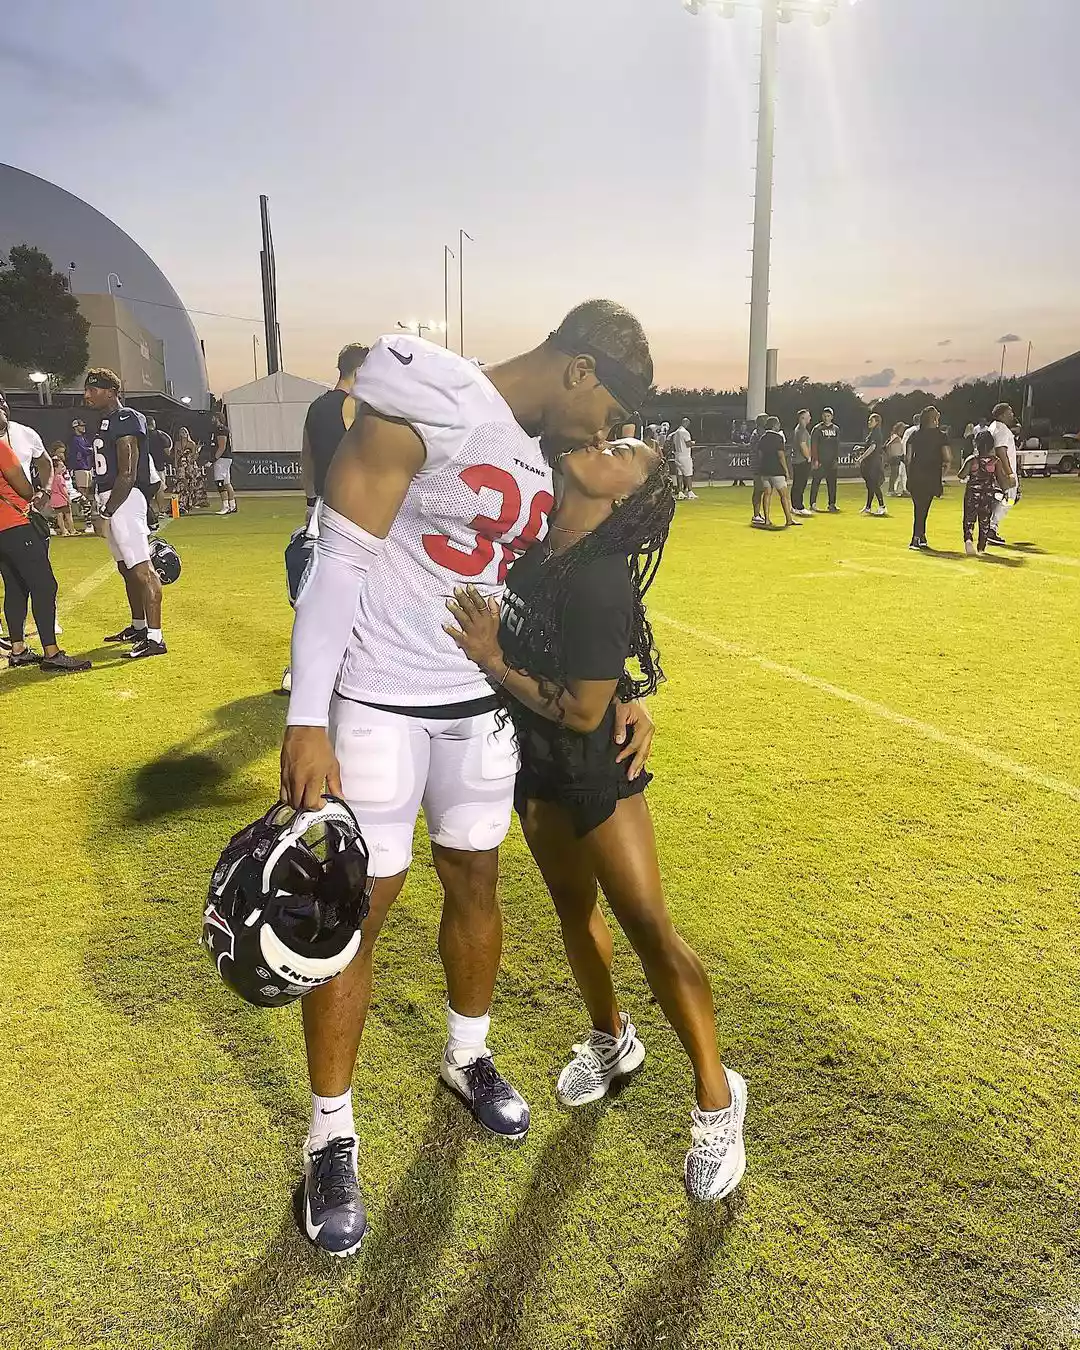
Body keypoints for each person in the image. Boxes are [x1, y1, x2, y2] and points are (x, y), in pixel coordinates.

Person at [280, 300, 656, 1256]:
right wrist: (306, 714)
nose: (604, 432)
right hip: (377, 696)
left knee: (477, 884)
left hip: (476, 703)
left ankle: (467, 1054)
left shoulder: (539, 457)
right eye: (607, 408)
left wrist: (628, 690)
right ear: (579, 368)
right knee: (358, 912)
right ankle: (332, 1136)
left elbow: (567, 590)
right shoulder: (427, 386)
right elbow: (337, 559)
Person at [444, 440, 747, 1202]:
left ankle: (717, 1101)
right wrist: (620, 692)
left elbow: (583, 710)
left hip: (594, 770)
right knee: (574, 914)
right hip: (532, 760)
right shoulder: (537, 539)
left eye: (624, 452)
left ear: (628, 496)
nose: (603, 444)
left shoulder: (605, 575)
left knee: (646, 925)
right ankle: (613, 1042)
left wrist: (492, 662)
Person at [82, 368, 167, 658]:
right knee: (125, 567)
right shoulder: (104, 422)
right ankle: (139, 626)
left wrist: (106, 512)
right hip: (112, 497)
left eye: (93, 390)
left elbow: (127, 474)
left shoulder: (126, 418)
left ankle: (155, 639)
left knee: (143, 570)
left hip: (125, 499)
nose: (87, 395)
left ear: (110, 391)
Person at [0, 405, 90, 672]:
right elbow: (24, 489)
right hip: (16, 524)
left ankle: (18, 649)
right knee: (44, 586)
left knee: (15, 587)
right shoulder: (3, 449)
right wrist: (37, 493)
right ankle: (52, 653)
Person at [302, 343, 370, 518]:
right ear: (359, 372)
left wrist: (310, 503)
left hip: (322, 506)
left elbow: (307, 457)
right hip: (354, 507)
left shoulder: (316, 406)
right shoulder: (359, 407)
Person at [959, 428, 1014, 555]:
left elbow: (961, 475)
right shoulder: (995, 461)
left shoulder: (972, 460)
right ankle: (981, 547)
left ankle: (968, 540)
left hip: (972, 494)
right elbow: (1001, 479)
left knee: (969, 518)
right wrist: (1006, 490)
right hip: (988, 494)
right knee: (985, 519)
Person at [905, 405, 950, 550]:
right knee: (923, 507)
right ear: (935, 419)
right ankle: (916, 537)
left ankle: (920, 535)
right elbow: (948, 458)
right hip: (931, 475)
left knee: (919, 507)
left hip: (916, 474)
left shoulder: (915, 435)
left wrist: (908, 475)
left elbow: (908, 458)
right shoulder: (941, 435)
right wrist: (942, 474)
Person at [753, 417, 798, 528]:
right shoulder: (778, 437)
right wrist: (786, 471)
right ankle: (788, 519)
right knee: (784, 496)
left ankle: (767, 519)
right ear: (774, 425)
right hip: (777, 471)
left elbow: (760, 454)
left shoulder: (762, 438)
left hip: (765, 471)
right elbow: (781, 455)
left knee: (767, 494)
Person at [987, 403, 1019, 545]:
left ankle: (989, 527)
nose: (1012, 415)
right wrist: (1009, 473)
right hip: (1004, 471)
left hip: (994, 470)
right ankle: (991, 528)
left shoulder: (993, 427)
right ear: (1002, 414)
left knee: (998, 499)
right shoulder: (1001, 429)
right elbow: (1001, 451)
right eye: (1009, 412)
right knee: (1009, 499)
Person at [67, 418, 96, 532]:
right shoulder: (75, 439)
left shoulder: (83, 438)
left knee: (87, 491)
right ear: (75, 427)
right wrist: (90, 450)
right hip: (80, 467)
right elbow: (86, 450)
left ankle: (85, 512)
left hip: (87, 467)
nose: (83, 427)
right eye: (81, 426)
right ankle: (82, 514)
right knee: (82, 492)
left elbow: (89, 449)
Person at [809, 408, 841, 512]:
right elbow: (814, 445)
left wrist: (836, 459)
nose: (826, 418)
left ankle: (832, 504)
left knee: (832, 483)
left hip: (831, 461)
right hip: (821, 460)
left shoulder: (836, 429)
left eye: (828, 416)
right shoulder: (817, 429)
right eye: (824, 415)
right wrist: (816, 459)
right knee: (816, 482)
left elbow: (837, 445)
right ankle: (812, 503)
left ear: (832, 416)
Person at [856, 412, 888, 516]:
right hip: (870, 462)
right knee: (870, 485)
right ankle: (868, 507)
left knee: (874, 484)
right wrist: (861, 448)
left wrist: (861, 458)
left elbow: (873, 447)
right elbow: (870, 446)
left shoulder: (876, 432)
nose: (869, 422)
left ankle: (882, 506)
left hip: (873, 462)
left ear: (877, 422)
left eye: (871, 420)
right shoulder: (872, 432)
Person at [146, 417, 173, 514]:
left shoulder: (141, 435)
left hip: (144, 466)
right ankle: (161, 510)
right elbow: (167, 451)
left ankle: (147, 511)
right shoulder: (160, 435)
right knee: (160, 489)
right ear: (153, 424)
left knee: (144, 489)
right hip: (158, 466)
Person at [211, 418, 236, 515]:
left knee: (219, 482)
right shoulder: (218, 429)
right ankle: (232, 505)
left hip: (222, 459)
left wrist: (213, 459)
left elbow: (222, 447)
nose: (212, 420)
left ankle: (225, 506)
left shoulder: (221, 429)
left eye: (213, 418)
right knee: (226, 482)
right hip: (225, 458)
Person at [790, 410, 813, 515]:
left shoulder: (799, 429)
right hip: (801, 461)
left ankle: (795, 506)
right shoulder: (801, 430)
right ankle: (799, 506)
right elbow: (803, 445)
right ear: (802, 418)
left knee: (797, 484)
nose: (810, 418)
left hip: (797, 461)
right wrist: (808, 457)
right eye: (808, 417)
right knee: (800, 484)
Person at [48, 446, 75, 536]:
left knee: (59, 516)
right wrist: (68, 498)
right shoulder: (60, 478)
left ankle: (64, 531)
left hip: (54, 499)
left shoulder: (51, 478)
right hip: (62, 499)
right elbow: (63, 490)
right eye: (62, 467)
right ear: (56, 468)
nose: (64, 468)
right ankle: (72, 530)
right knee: (68, 515)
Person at [174, 427, 200, 514]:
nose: (183, 433)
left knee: (190, 485)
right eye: (181, 431)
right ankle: (182, 503)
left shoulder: (191, 443)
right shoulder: (177, 444)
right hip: (181, 467)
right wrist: (176, 465)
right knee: (181, 484)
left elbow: (194, 457)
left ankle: (189, 503)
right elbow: (175, 456)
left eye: (184, 431)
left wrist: (196, 453)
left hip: (189, 467)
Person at [670, 417, 696, 500]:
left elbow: (673, 445)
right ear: (686, 423)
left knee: (680, 475)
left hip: (677, 455)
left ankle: (680, 492)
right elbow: (688, 444)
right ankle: (690, 492)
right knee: (688, 475)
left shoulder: (675, 433)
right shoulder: (685, 432)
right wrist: (693, 443)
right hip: (685, 456)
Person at [886, 421, 907, 497]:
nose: (903, 430)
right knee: (894, 474)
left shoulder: (896, 436)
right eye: (902, 428)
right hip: (895, 457)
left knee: (895, 474)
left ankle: (892, 490)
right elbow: (888, 445)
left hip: (897, 457)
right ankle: (890, 490)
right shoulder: (896, 437)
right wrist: (889, 455)